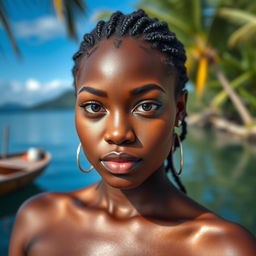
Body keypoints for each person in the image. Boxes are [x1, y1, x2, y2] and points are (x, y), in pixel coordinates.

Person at [9, 9, 256, 256]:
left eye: (146, 106)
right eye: (94, 107)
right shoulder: (38, 219)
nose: (118, 133)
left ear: (179, 108)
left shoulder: (222, 247)